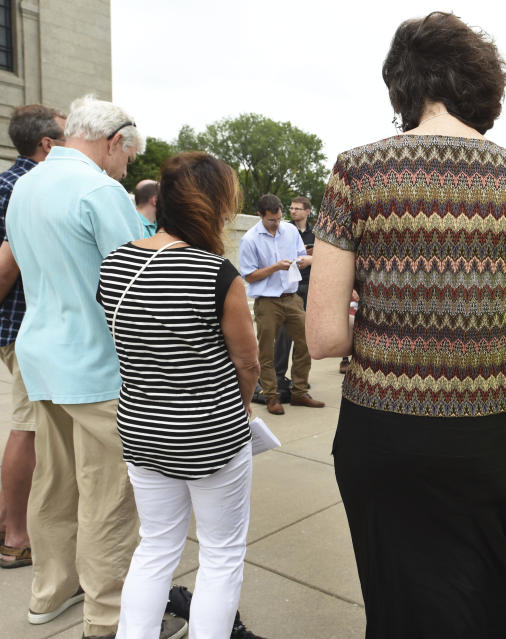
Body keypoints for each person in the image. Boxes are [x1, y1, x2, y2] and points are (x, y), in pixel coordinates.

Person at [307, 11, 506, 638]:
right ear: (479, 87)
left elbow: (324, 337)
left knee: (400, 605)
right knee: (491, 602)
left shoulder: (356, 172)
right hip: (488, 438)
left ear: (402, 86)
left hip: (383, 431)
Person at [6, 94, 187, 639]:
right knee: (110, 493)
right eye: (127, 157)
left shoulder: (25, 184)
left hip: (39, 355)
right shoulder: (99, 190)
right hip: (95, 362)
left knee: (55, 483)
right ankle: (109, 616)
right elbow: (140, 278)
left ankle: (50, 590)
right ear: (112, 143)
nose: (125, 168)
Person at [98, 151, 259, 639]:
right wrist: (242, 403)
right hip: (210, 432)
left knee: (155, 547)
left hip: (143, 429)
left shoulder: (114, 264)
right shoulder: (216, 274)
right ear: (212, 206)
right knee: (220, 553)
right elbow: (248, 363)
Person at [0, 104, 65, 570]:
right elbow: (8, 262)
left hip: (18, 326)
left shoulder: (7, 182)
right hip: (23, 324)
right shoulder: (28, 187)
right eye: (66, 136)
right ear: (47, 144)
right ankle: (16, 538)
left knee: (31, 427)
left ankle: (9, 522)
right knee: (27, 428)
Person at [238, 194, 324, 415]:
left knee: (306, 344)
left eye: (278, 218)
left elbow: (300, 256)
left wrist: (302, 261)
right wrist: (275, 267)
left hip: (292, 297)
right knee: (267, 351)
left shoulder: (290, 230)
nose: (277, 223)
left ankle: (299, 391)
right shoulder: (249, 239)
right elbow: (249, 276)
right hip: (267, 301)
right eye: (271, 220)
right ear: (260, 216)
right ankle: (271, 395)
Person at [274, 195, 314, 384]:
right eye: (291, 208)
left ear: (307, 211)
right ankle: (278, 376)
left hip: (310, 288)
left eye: (297, 208)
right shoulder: (283, 230)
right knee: (283, 335)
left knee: (304, 336)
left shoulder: (317, 234)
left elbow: (327, 259)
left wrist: (312, 258)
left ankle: (300, 379)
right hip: (290, 288)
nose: (293, 211)